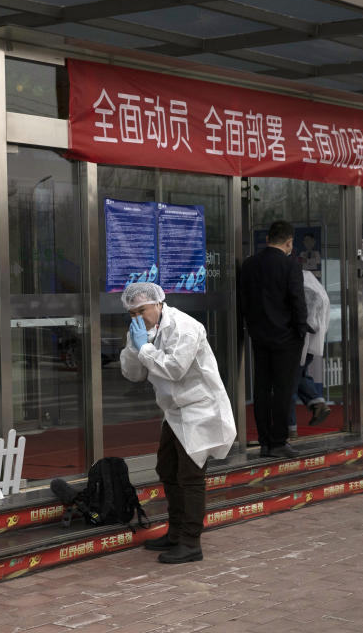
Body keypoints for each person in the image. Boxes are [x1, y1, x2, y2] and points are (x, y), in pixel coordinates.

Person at [119, 282, 236, 565]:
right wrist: (136, 349)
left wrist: (144, 348)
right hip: (174, 412)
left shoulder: (185, 327)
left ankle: (190, 541)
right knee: (167, 468)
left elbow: (174, 369)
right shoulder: (140, 333)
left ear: (158, 304)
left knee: (190, 475)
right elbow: (133, 374)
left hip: (200, 409)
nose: (138, 318)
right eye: (132, 313)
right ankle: (175, 531)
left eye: (143, 310)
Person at [239, 220, 308, 458]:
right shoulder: (291, 266)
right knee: (282, 390)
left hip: (259, 335)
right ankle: (278, 441)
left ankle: (265, 441)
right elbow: (297, 301)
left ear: (267, 239)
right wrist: (300, 330)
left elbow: (244, 301)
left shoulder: (249, 265)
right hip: (286, 337)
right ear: (289, 242)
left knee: (261, 388)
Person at [290, 270, 331, 437]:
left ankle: (289, 427)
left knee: (289, 383)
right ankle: (317, 403)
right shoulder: (313, 284)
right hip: (308, 343)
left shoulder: (306, 288)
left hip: (300, 342)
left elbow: (308, 320)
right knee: (298, 375)